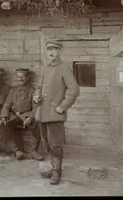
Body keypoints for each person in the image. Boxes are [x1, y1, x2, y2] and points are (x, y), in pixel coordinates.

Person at [34, 40, 79, 185]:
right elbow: (39, 86)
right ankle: (53, 168)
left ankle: (56, 172)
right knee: (46, 143)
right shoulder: (45, 68)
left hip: (55, 113)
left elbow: (74, 89)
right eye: (49, 50)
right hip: (42, 112)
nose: (51, 52)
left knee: (55, 144)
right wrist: (36, 95)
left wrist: (63, 106)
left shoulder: (64, 68)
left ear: (60, 51)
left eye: (55, 49)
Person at [0, 68, 43, 161]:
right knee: (3, 123)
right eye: (18, 77)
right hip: (15, 116)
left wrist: (29, 117)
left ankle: (32, 151)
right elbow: (7, 104)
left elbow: (36, 108)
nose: (20, 79)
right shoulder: (13, 90)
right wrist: (3, 116)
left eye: (23, 77)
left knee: (39, 122)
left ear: (27, 78)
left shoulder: (32, 91)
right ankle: (17, 151)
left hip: (27, 116)